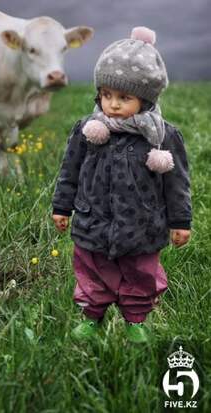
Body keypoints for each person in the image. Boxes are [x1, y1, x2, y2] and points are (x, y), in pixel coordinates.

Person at [51, 27, 191, 343]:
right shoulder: (88, 130)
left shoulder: (164, 137)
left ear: (145, 98)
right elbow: (69, 171)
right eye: (106, 95)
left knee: (140, 271)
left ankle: (136, 319)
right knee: (91, 269)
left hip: (141, 225)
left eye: (124, 98)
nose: (112, 105)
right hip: (93, 220)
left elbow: (177, 183)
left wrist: (180, 221)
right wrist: (62, 206)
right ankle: (91, 316)